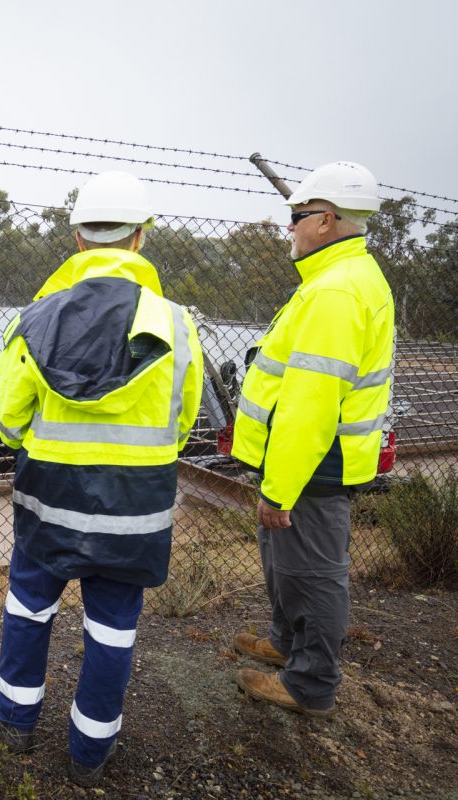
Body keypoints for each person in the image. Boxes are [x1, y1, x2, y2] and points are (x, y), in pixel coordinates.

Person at [0, 171, 204, 786]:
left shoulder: (37, 317)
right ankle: (90, 751)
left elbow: (8, 416)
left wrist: (43, 445)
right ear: (140, 238)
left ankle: (14, 719)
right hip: (135, 510)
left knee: (28, 609)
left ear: (77, 238)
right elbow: (182, 422)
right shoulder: (176, 323)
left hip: (49, 500)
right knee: (113, 627)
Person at [231, 161, 394, 718]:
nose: (290, 229)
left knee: (314, 573)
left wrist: (279, 487)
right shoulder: (335, 281)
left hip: (313, 464)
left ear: (325, 221)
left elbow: (311, 404)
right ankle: (285, 642)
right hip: (304, 461)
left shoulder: (336, 293)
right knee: (284, 563)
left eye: (297, 218)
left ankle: (311, 684)